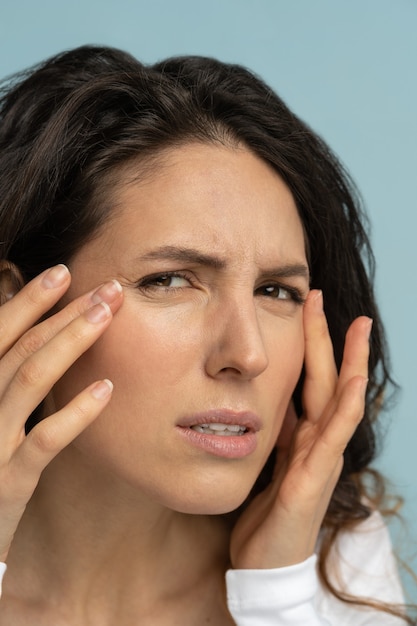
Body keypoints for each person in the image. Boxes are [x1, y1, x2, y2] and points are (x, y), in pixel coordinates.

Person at [0, 45, 413, 625]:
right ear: (18, 305)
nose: (248, 354)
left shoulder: (329, 567)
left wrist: (281, 596)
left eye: (276, 291)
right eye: (170, 280)